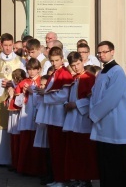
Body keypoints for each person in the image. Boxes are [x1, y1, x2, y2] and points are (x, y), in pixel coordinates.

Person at [90, 40, 126, 187]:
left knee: (118, 162)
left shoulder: (117, 72)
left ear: (112, 52)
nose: (101, 55)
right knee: (106, 163)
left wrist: (94, 114)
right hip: (104, 123)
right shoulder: (102, 72)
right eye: (99, 52)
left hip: (114, 124)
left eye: (104, 52)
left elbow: (111, 98)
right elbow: (95, 94)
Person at [35, 46, 73, 187]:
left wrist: (45, 95)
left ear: (62, 59)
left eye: (57, 60)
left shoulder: (64, 73)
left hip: (59, 116)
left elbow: (63, 95)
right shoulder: (54, 73)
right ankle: (57, 179)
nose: (54, 63)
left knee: (59, 150)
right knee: (54, 150)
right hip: (52, 116)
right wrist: (42, 92)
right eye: (52, 61)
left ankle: (62, 180)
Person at [0, 33, 25, 168]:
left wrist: (13, 84)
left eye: (10, 45)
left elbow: (24, 79)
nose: (8, 48)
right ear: (1, 45)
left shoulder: (20, 61)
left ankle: (13, 159)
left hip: (15, 96)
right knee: (0, 127)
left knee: (12, 126)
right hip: (0, 96)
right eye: (5, 45)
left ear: (13, 45)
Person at [62, 52, 99, 187]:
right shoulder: (74, 78)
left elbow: (92, 99)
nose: (76, 67)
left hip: (83, 118)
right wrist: (66, 104)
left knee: (84, 150)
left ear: (82, 61)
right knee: (74, 149)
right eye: (73, 65)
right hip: (72, 117)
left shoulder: (89, 78)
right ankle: (75, 176)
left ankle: (85, 178)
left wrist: (76, 104)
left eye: (78, 64)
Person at [14, 58, 47, 177]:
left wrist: (32, 90)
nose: (32, 72)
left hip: (36, 114)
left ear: (39, 69)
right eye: (29, 69)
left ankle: (37, 169)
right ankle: (24, 168)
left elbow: (42, 97)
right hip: (25, 114)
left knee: (36, 142)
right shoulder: (23, 82)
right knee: (25, 142)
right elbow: (17, 102)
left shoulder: (42, 81)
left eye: (34, 69)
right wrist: (23, 93)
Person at [8, 68, 26, 171]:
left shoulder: (21, 86)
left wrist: (12, 95)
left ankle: (17, 164)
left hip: (18, 117)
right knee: (14, 141)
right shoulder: (15, 86)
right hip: (13, 116)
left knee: (17, 142)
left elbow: (18, 103)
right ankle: (14, 163)